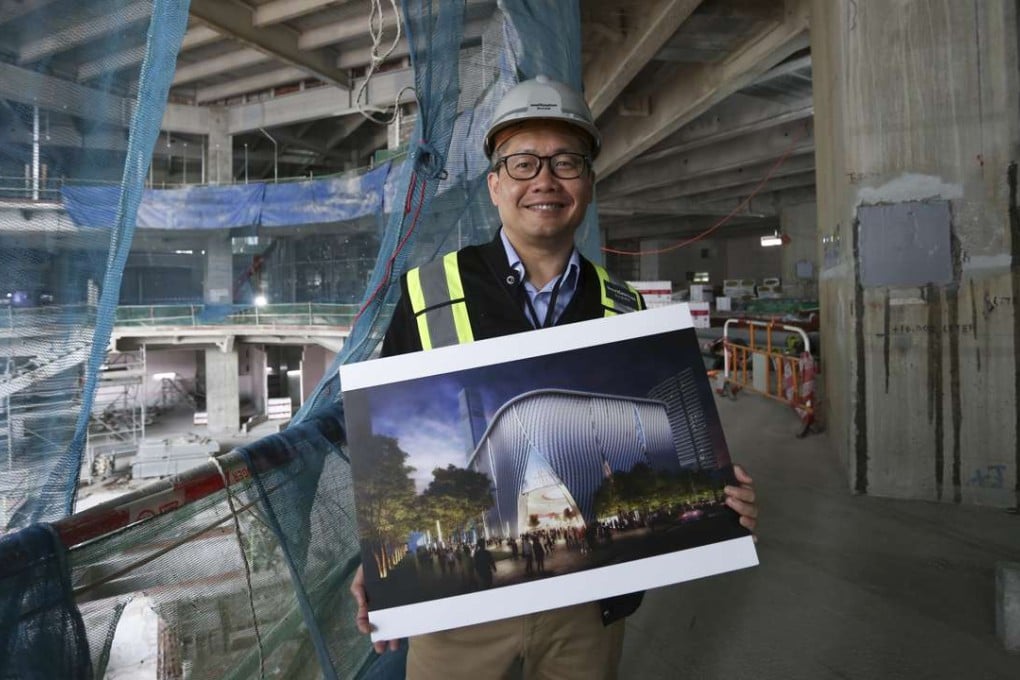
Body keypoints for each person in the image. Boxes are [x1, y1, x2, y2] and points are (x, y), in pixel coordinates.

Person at [350, 75, 759, 679]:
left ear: (588, 184)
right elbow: (387, 442)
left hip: (586, 608)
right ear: (494, 185)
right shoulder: (428, 293)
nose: (544, 179)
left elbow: (674, 443)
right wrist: (377, 553)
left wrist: (721, 495)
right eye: (522, 163)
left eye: (566, 162)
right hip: (461, 615)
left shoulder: (628, 309)